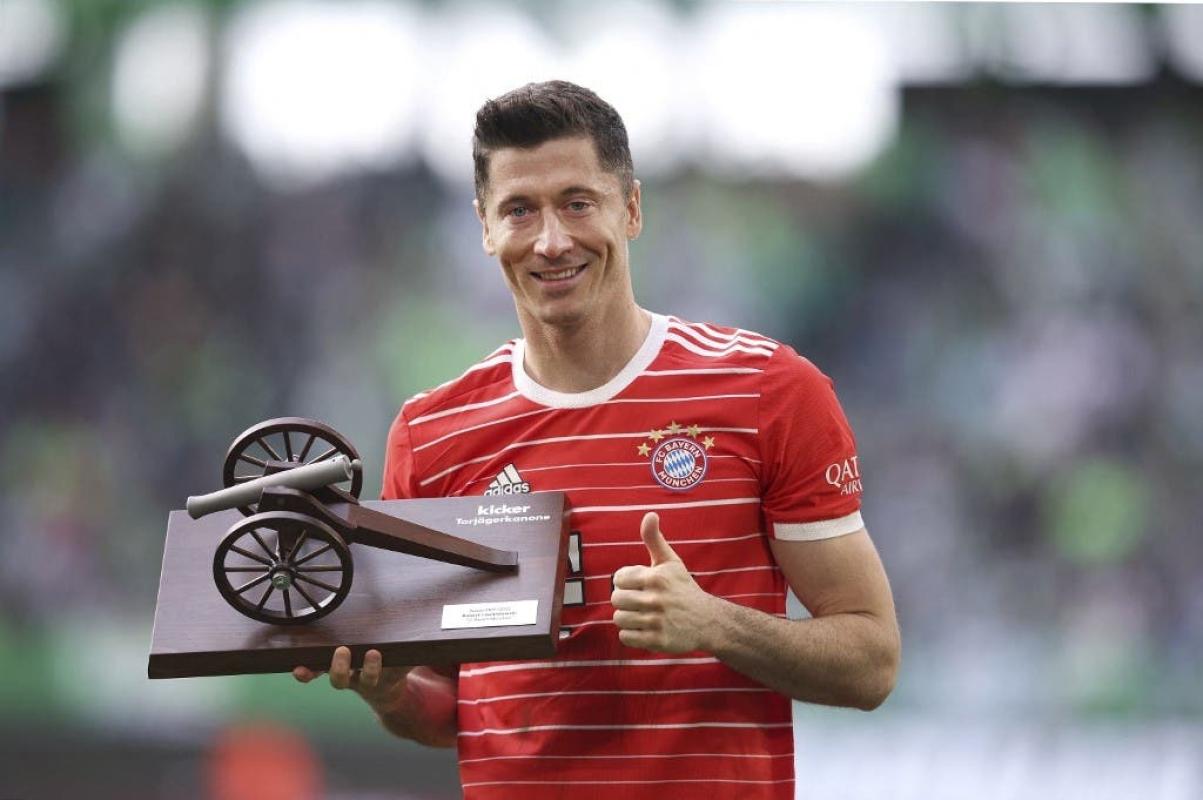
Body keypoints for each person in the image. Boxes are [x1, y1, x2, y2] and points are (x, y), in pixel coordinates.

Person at [295, 80, 900, 799]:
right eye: (519, 210)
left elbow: (871, 662)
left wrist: (715, 624)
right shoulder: (431, 435)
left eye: (577, 203)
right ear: (485, 227)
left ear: (631, 209)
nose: (551, 240)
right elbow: (456, 706)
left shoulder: (767, 391)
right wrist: (390, 691)